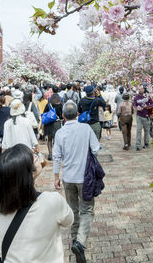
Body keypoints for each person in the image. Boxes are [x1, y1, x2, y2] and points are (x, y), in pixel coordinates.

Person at [0, 144, 73, 262]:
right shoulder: (51, 201)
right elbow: (69, 220)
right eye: (33, 156)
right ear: (28, 173)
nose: (36, 157)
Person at [53, 101, 100, 263]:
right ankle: (80, 242)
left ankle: (75, 242)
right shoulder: (85, 129)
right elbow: (95, 149)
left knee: (73, 211)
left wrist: (56, 177)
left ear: (63, 116)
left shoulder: (60, 133)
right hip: (85, 177)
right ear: (78, 114)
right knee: (87, 209)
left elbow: (56, 156)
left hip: (68, 178)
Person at [133, 86, 153, 151]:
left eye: (142, 89)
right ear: (138, 90)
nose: (141, 90)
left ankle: (146, 143)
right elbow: (135, 105)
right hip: (139, 116)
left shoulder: (147, 97)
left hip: (146, 116)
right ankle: (138, 145)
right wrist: (137, 108)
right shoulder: (136, 97)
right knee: (138, 131)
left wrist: (147, 106)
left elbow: (152, 104)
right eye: (140, 89)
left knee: (146, 131)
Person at [42, 93, 63, 161]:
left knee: (49, 139)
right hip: (57, 124)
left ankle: (50, 154)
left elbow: (44, 113)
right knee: (57, 140)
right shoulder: (60, 106)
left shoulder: (48, 105)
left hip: (49, 124)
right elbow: (62, 116)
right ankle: (57, 154)